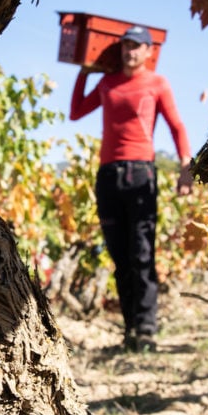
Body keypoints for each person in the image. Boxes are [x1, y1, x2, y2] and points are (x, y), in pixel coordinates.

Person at [69, 24, 193, 352]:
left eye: (137, 46)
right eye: (126, 45)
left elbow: (177, 126)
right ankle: (130, 331)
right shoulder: (108, 82)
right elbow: (76, 112)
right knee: (120, 257)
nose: (130, 51)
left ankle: (147, 330)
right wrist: (85, 73)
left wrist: (185, 169)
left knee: (142, 254)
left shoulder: (157, 83)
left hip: (141, 174)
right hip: (108, 175)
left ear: (149, 51)